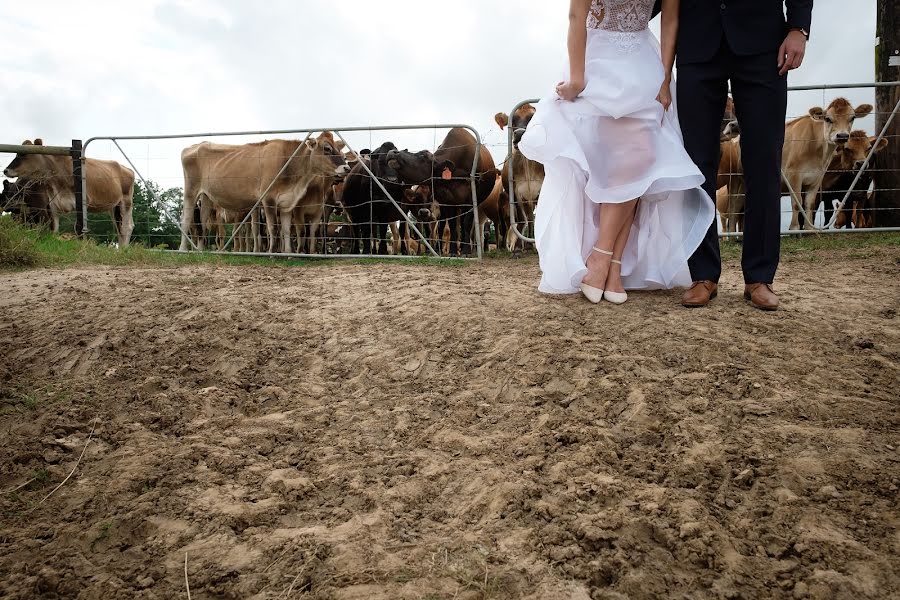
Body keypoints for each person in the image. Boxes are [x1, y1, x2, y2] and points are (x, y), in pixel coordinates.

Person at [518, 0, 714, 305]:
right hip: (598, 61)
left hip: (644, 63)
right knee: (618, 164)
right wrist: (577, 78)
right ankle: (611, 266)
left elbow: (671, 20)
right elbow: (576, 15)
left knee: (641, 159)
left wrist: (664, 80)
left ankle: (603, 258)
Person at [664, 0, 812, 310]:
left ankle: (759, 277)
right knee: (695, 164)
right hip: (697, 43)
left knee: (763, 160)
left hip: (763, 42)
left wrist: (798, 28)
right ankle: (702, 274)